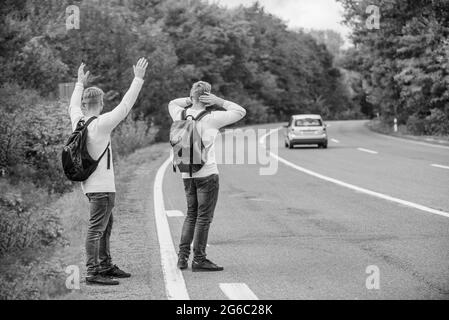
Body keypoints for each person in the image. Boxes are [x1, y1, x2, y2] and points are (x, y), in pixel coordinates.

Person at [68, 58, 148, 285]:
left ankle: (104, 264)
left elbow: (72, 106)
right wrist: (138, 78)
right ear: (101, 102)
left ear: (85, 104)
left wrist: (79, 83)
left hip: (91, 187)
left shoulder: (79, 122)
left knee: (105, 226)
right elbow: (125, 105)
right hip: (101, 188)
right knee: (96, 230)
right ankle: (93, 272)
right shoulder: (101, 124)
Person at [168, 81, 246, 272]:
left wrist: (191, 98)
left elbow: (172, 102)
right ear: (208, 98)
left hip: (186, 173)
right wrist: (218, 100)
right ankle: (199, 259)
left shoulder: (180, 113)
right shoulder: (213, 117)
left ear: (192, 96)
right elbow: (240, 111)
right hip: (207, 173)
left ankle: (182, 258)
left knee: (191, 214)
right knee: (204, 217)